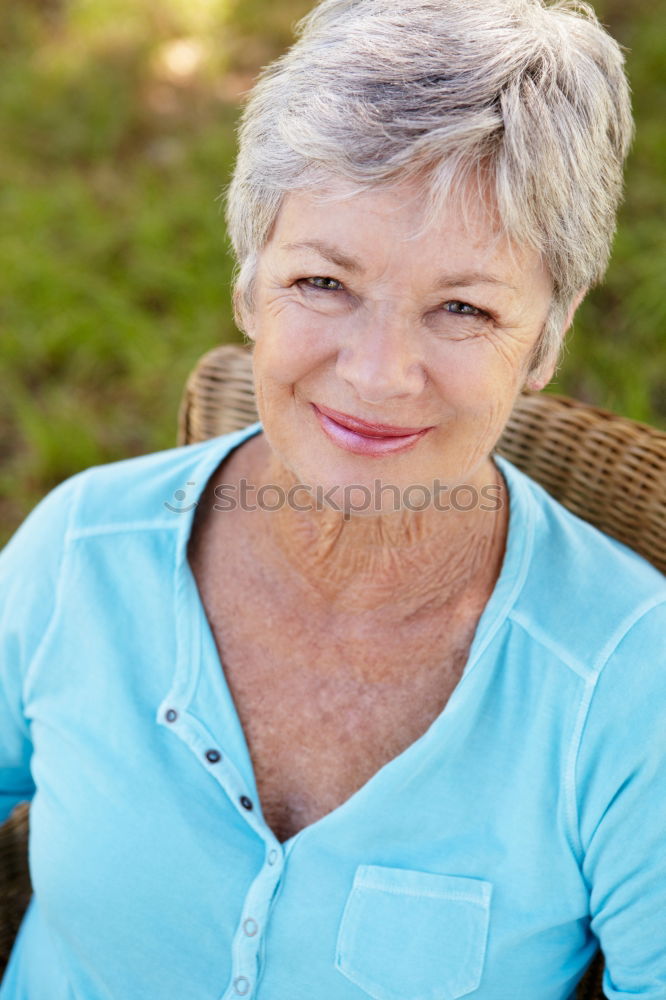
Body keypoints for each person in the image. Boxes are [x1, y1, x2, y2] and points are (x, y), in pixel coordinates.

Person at [1, 0, 665, 997]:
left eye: (463, 307)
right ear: (248, 282)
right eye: (323, 282)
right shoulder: (77, 553)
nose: (380, 372)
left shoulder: (630, 689)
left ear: (547, 340)